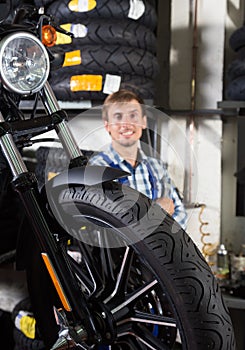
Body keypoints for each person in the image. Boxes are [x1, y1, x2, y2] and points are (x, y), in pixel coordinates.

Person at [89, 89, 187, 229]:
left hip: (160, 249)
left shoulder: (156, 167)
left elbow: (180, 214)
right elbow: (107, 226)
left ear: (144, 122)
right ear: (107, 125)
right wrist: (157, 213)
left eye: (133, 116)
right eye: (118, 117)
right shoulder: (97, 168)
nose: (126, 124)